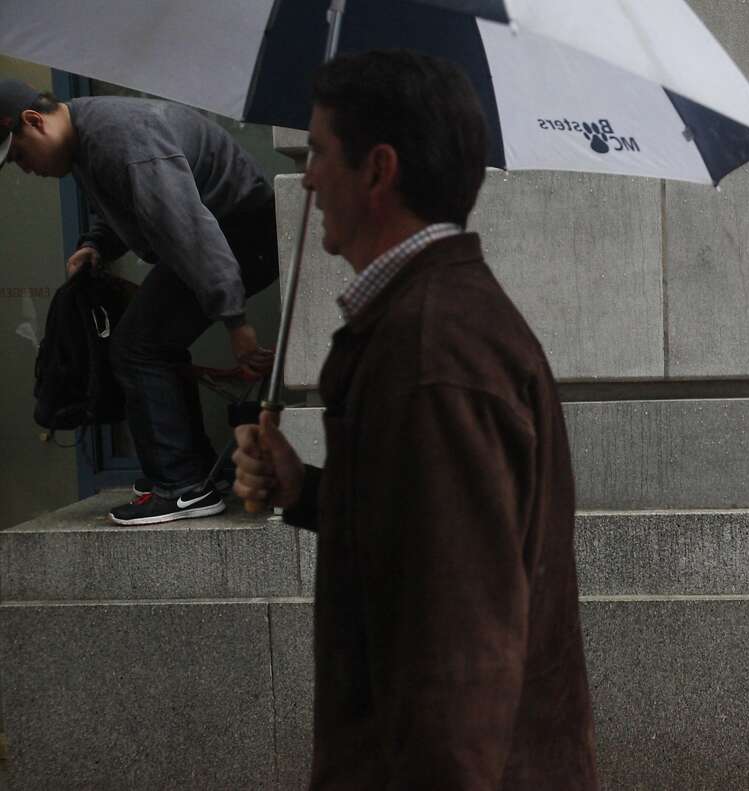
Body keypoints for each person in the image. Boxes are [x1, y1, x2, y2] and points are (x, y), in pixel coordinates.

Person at [231, 50, 598, 789]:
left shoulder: (431, 353)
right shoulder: (435, 327)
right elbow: (424, 535)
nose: (305, 178)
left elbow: (462, 652)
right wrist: (303, 489)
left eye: (320, 153)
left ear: (378, 170)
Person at [0, 78, 277, 525]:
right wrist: (95, 244)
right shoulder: (89, 137)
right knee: (149, 342)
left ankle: (183, 487)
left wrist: (235, 321)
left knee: (137, 346)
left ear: (35, 121)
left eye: (19, 154)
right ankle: (191, 471)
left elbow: (188, 227)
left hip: (236, 238)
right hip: (222, 240)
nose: (23, 168)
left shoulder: (122, 138)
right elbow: (118, 201)